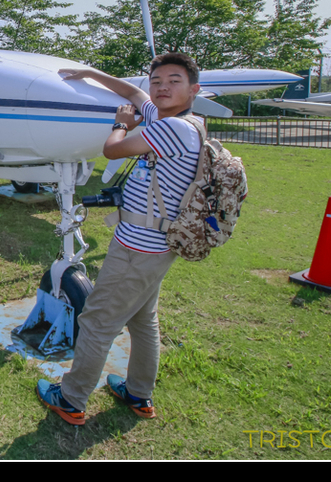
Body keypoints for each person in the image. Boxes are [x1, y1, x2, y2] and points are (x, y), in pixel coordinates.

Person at [36, 53, 203, 425]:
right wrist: (91, 73)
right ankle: (138, 393)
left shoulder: (170, 129)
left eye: (174, 81)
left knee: (97, 322)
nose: (162, 87)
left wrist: (121, 124)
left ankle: (71, 398)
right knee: (144, 321)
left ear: (194, 89)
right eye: (157, 80)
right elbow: (132, 91)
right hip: (157, 247)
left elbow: (112, 149)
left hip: (137, 249)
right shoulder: (183, 121)